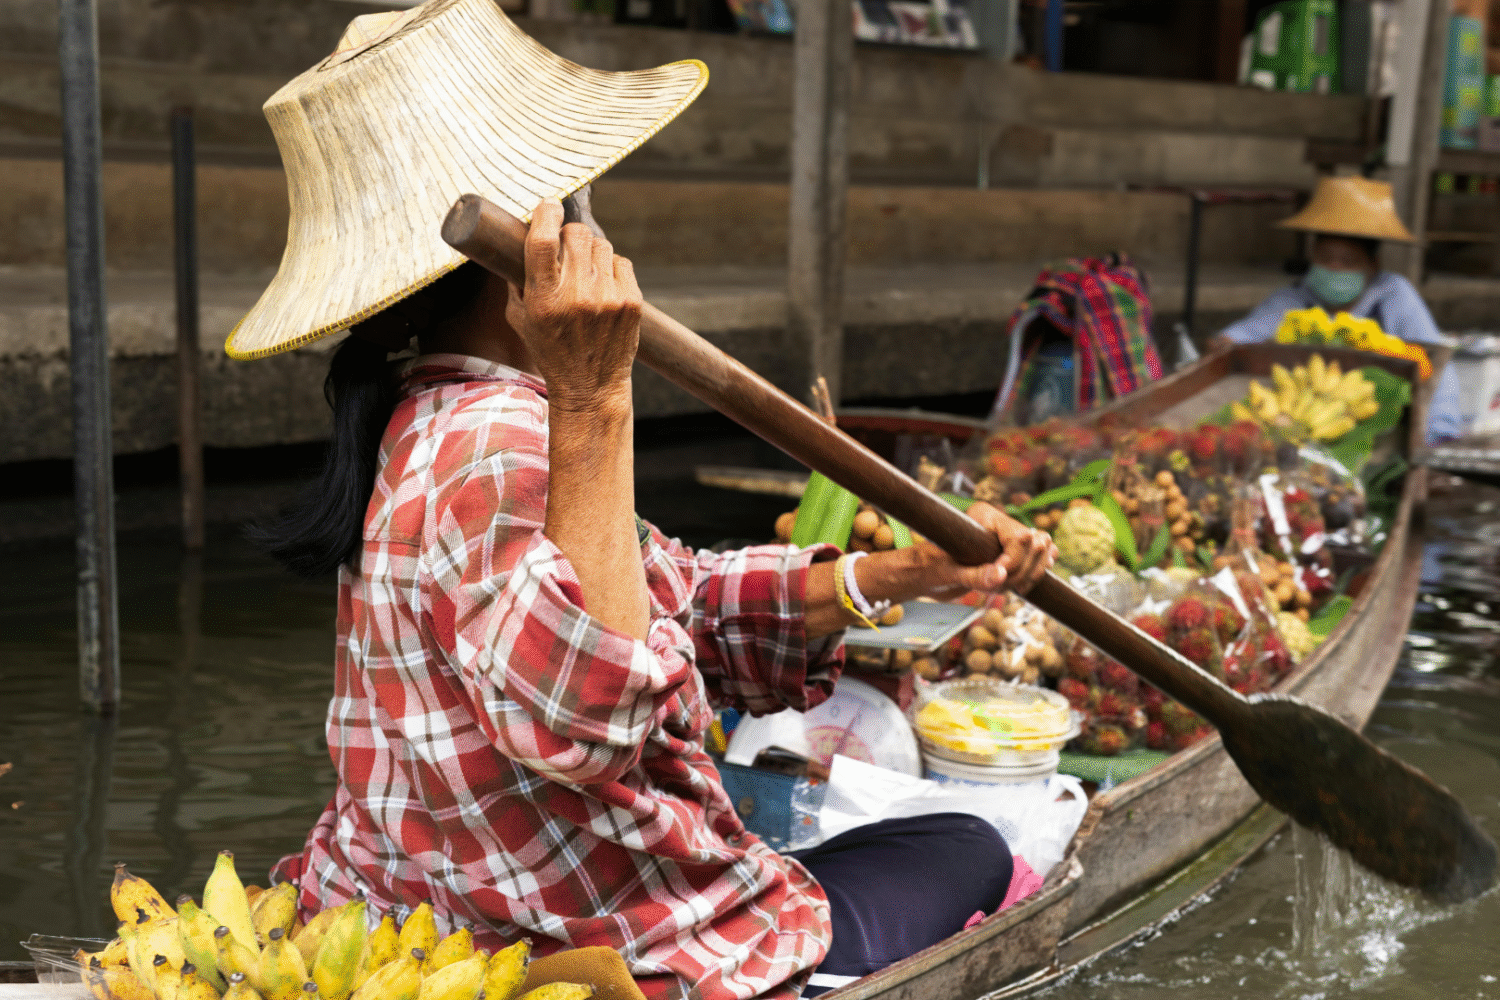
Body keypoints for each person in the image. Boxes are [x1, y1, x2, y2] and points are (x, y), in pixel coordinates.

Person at [229, 4, 1057, 998]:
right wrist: (595, 392)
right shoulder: (507, 438)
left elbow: (682, 599)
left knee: (905, 837)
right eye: (588, 205)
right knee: (970, 844)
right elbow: (589, 723)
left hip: (431, 917)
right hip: (588, 956)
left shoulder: (432, 413)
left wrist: (901, 575)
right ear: (549, 246)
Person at [1212, 176, 1462, 443]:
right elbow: (1234, 338)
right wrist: (1223, 346)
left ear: (1372, 265)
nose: (1334, 268)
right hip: (1303, 425)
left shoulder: (1393, 294)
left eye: (1347, 261)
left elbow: (1436, 364)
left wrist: (1439, 433)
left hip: (1388, 431)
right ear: (1311, 258)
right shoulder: (1296, 297)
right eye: (1325, 258)